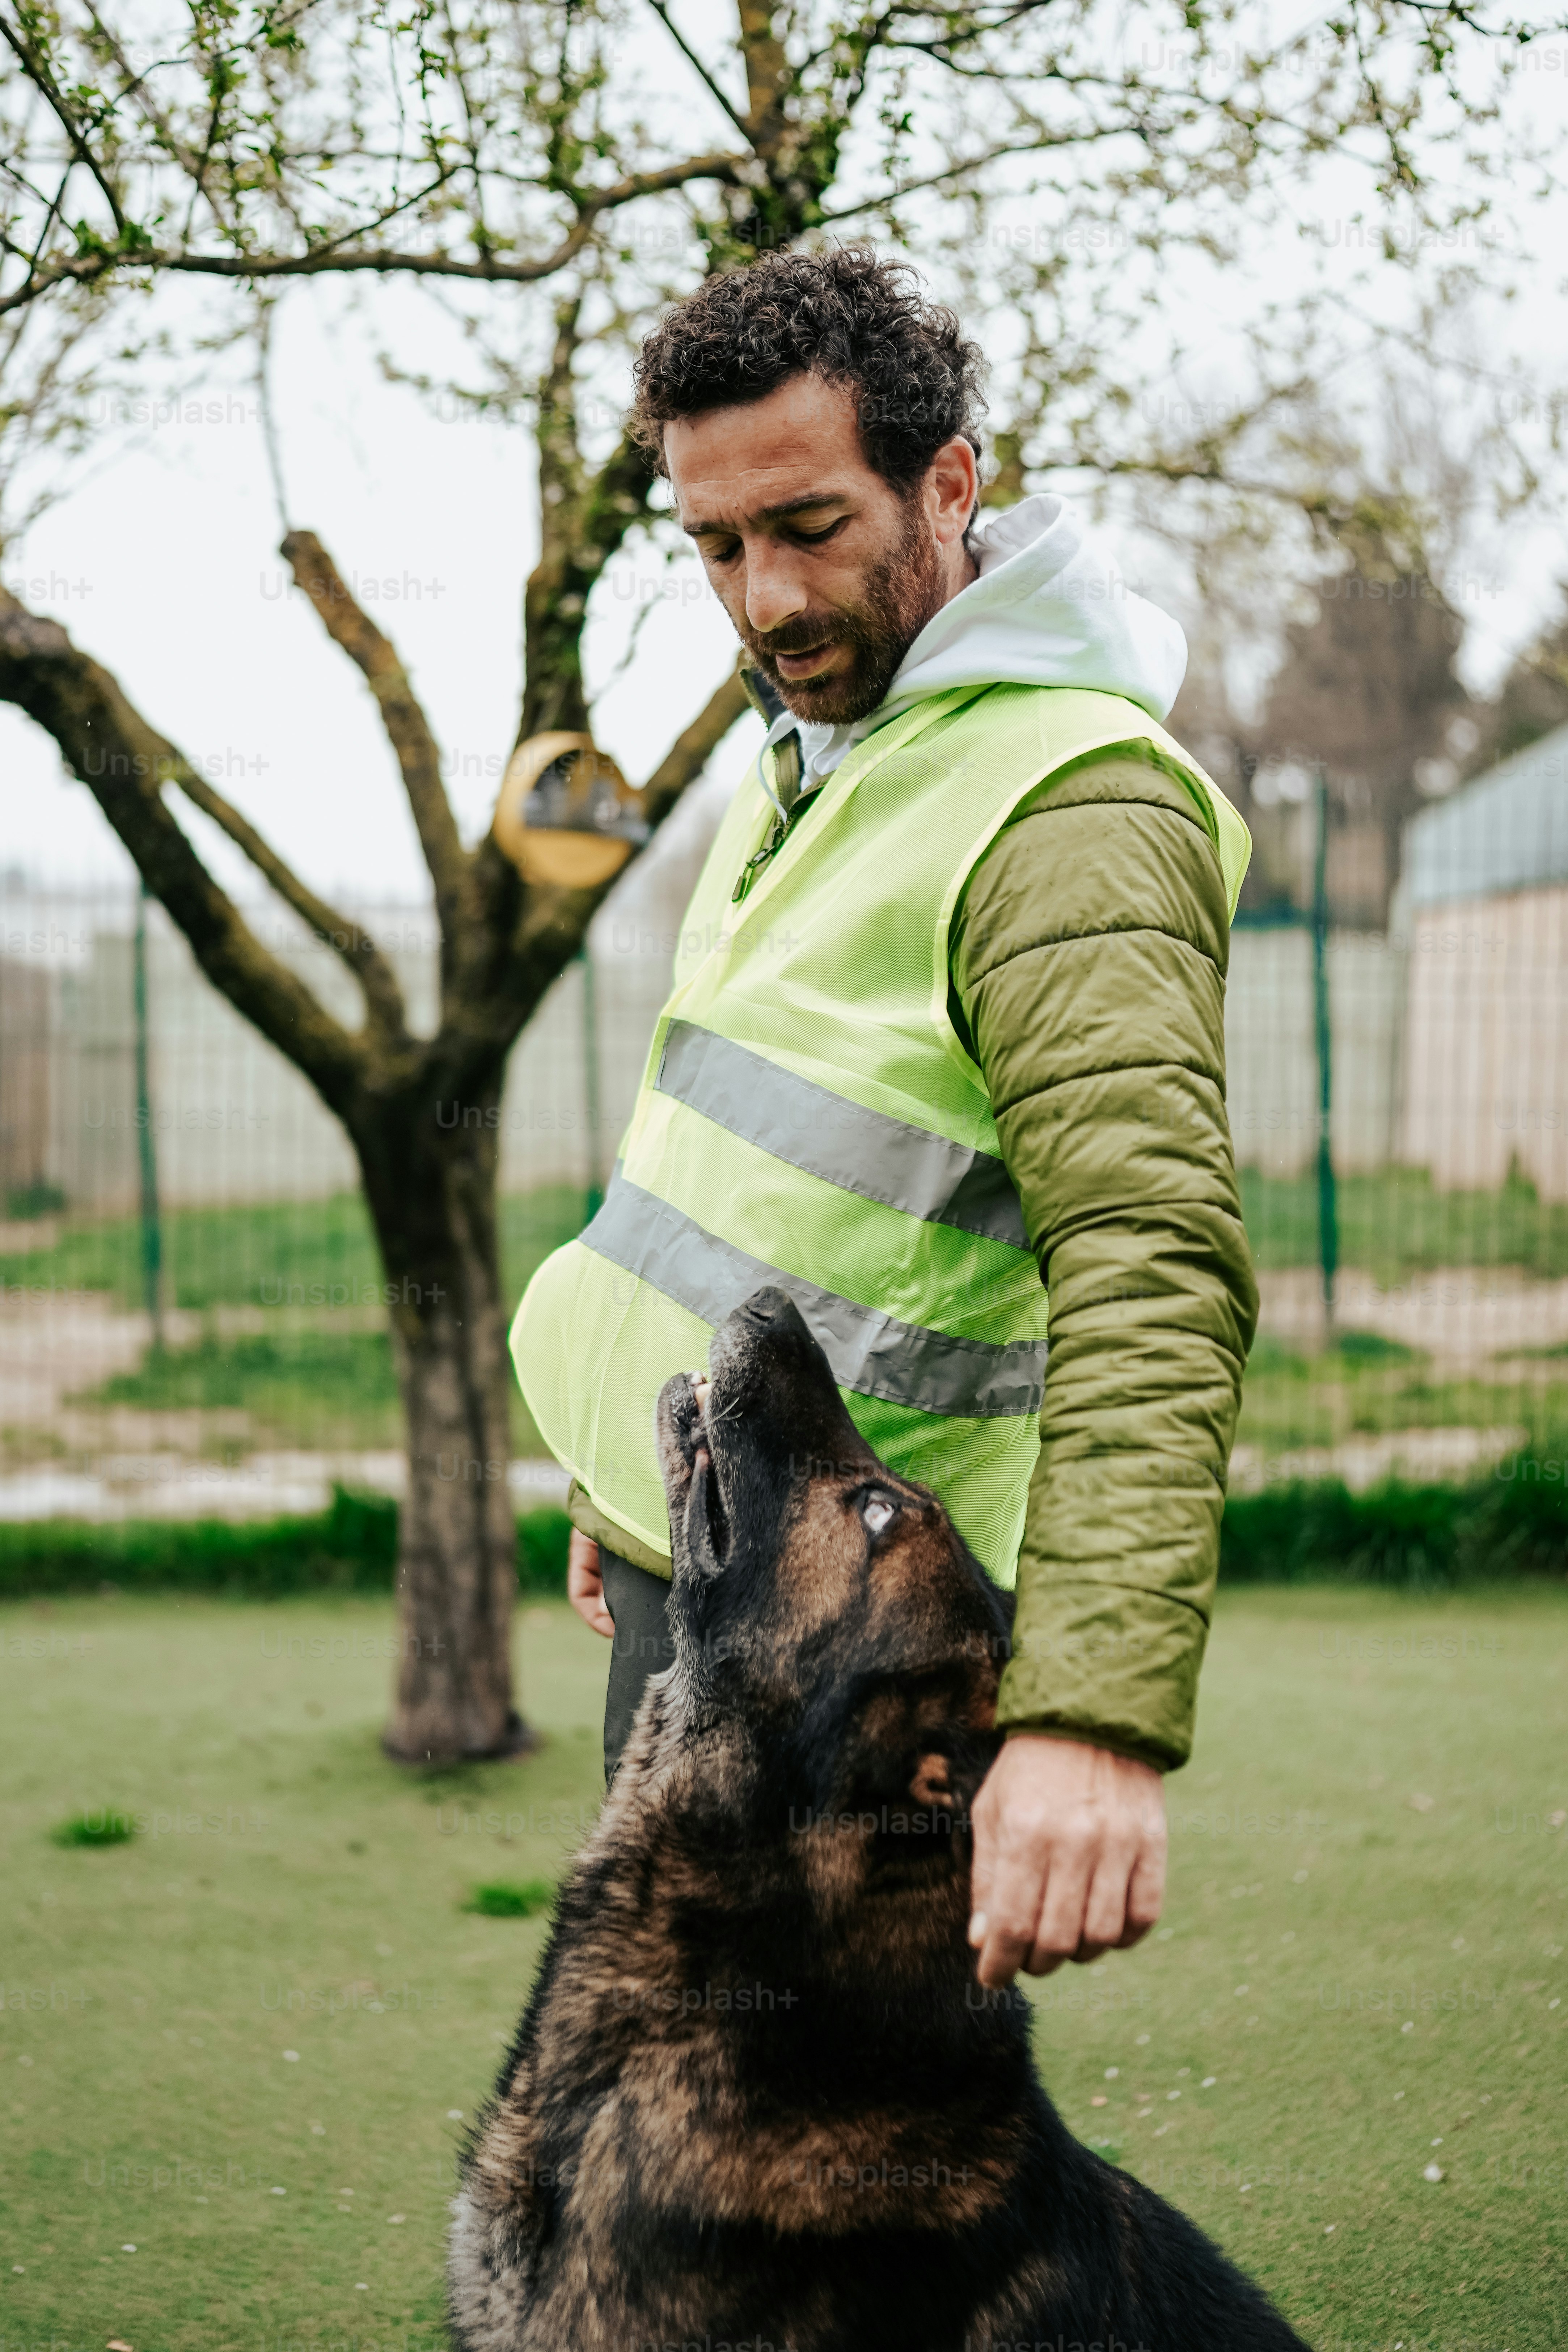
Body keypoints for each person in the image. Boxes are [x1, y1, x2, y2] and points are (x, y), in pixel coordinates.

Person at [511, 246, 1258, 1991]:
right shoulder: (839, 751)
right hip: (709, 1581)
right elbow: (734, 1184)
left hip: (856, 1674)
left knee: (811, 2191)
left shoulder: (1067, 806)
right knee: (693, 2149)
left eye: (809, 525)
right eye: (714, 546)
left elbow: (1153, 1263)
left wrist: (1089, 1715)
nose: (764, 601)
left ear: (951, 483)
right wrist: (634, 1469)